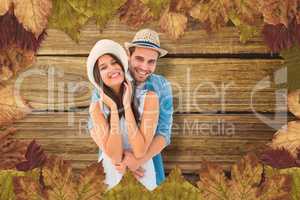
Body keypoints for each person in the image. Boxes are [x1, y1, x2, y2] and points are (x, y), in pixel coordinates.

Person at [88, 29, 173, 186]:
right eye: (139, 59)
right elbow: (93, 126)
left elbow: (164, 132)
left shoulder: (160, 87)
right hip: (113, 159)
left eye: (151, 61)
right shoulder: (109, 79)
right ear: (128, 55)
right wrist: (119, 160)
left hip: (148, 157)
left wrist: (137, 161)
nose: (144, 67)